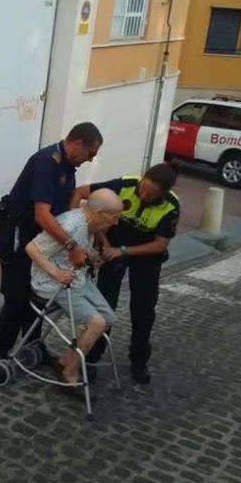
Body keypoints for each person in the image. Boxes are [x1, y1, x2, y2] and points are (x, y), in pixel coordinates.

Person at [0, 122, 103, 366]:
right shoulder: (46, 163)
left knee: (36, 296)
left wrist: (83, 243)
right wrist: (71, 245)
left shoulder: (68, 166)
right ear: (78, 143)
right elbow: (42, 214)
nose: (90, 159)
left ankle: (32, 347)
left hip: (41, 239)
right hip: (19, 235)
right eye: (90, 153)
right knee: (17, 296)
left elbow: (66, 210)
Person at [69, 162, 181, 384]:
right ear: (142, 177)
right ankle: (92, 357)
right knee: (104, 305)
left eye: (151, 194)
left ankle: (139, 359)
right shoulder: (125, 184)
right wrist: (90, 235)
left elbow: (160, 244)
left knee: (143, 309)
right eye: (143, 188)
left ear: (163, 193)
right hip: (113, 250)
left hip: (146, 257)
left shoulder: (171, 206)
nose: (143, 195)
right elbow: (81, 193)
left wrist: (122, 251)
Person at [25, 188, 123, 385]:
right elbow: (31, 248)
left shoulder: (90, 224)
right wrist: (57, 273)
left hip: (77, 278)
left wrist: (91, 256)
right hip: (52, 282)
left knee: (108, 318)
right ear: (98, 213)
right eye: (114, 217)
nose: (116, 222)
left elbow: (76, 251)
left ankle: (65, 362)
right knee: (97, 323)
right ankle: (69, 373)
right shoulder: (70, 224)